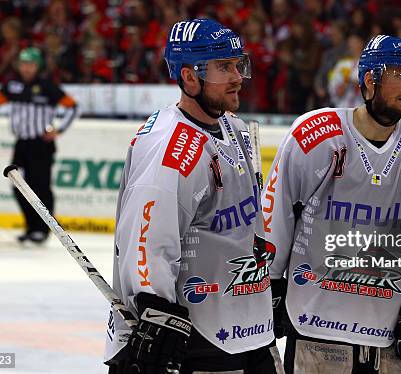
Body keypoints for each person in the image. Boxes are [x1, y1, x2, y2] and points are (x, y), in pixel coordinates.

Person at [263, 35, 401, 373]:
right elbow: (276, 213)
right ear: (370, 79)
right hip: (314, 325)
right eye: (400, 75)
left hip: (387, 330)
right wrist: (269, 281)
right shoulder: (315, 135)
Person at [104, 19, 282, 374]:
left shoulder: (236, 129)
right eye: (223, 68)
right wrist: (154, 306)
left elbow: (247, 221)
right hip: (196, 339)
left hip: (249, 329)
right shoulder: (170, 147)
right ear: (189, 77)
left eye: (237, 65)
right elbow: (147, 238)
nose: (237, 77)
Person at [0, 47, 79, 244]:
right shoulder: (13, 86)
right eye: (23, 64)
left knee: (41, 187)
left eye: (30, 65)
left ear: (38, 67)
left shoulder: (47, 87)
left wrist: (59, 130)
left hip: (41, 145)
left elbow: (73, 107)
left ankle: (42, 230)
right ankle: (30, 227)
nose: (26, 69)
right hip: (22, 144)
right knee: (18, 186)